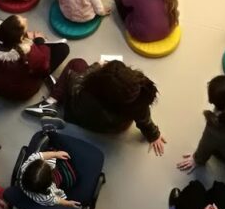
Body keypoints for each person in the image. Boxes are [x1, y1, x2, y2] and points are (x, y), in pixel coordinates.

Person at [25, 59, 167, 156]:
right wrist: (154, 135)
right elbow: (144, 120)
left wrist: (96, 65)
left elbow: (74, 81)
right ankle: (56, 95)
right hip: (113, 127)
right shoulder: (137, 101)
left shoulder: (85, 92)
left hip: (78, 117)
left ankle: (52, 100)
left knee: (77, 63)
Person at [0, 14, 70, 100]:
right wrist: (40, 41)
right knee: (63, 49)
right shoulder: (29, 55)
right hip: (20, 93)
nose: (26, 19)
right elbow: (44, 68)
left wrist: (25, 36)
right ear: (20, 39)